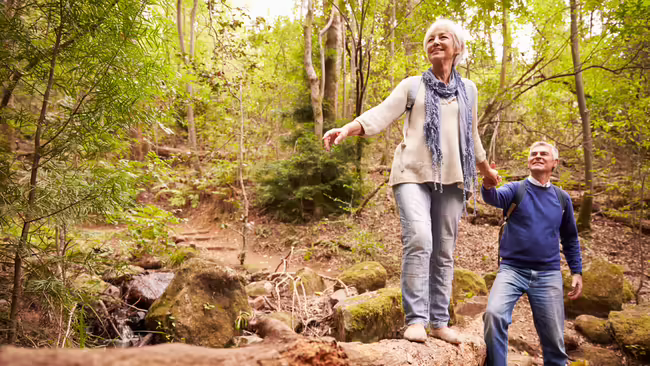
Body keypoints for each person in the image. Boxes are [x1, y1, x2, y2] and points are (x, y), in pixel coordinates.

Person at [323, 19, 498, 344]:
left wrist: (486, 170)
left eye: (442, 37)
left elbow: (471, 135)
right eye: (430, 38)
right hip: (411, 175)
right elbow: (380, 114)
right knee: (419, 240)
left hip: (452, 178)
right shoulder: (412, 86)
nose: (434, 42)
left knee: (444, 251)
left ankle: (438, 322)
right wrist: (347, 128)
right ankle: (416, 320)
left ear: (457, 47)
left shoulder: (469, 90)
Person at [481, 141, 583, 366]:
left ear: (554, 163)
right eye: (533, 154)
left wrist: (576, 271)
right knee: (494, 315)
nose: (537, 156)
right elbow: (493, 198)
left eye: (543, 154)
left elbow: (570, 237)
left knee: (554, 340)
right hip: (512, 270)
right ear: (528, 161)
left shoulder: (562, 198)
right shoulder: (516, 190)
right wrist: (488, 185)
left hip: (548, 274)